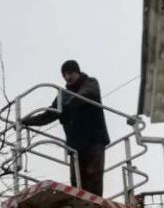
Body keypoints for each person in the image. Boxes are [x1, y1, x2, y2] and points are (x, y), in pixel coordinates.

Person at [20, 59, 110, 196]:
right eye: (65, 75)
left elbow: (86, 95)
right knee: (76, 181)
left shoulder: (90, 83)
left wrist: (67, 106)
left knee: (93, 178)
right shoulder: (63, 95)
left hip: (94, 140)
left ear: (77, 72)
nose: (67, 77)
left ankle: (95, 203)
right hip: (76, 145)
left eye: (70, 73)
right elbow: (48, 115)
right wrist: (27, 121)